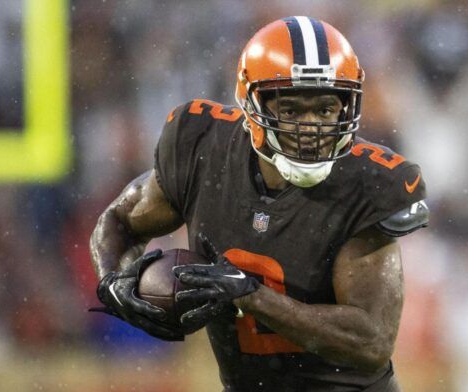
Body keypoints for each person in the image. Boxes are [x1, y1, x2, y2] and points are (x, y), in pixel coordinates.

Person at [90, 16, 428, 391]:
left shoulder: (367, 184)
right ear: (252, 104)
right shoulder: (202, 148)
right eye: (292, 110)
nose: (311, 129)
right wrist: (113, 280)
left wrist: (251, 296)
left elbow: (370, 342)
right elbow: (120, 222)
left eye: (325, 109)